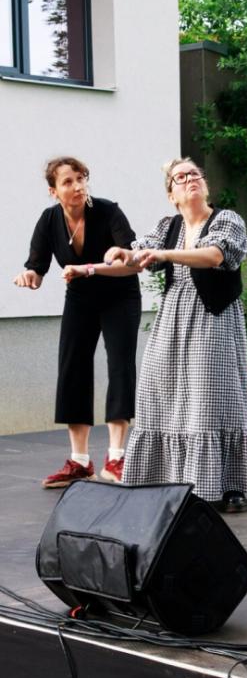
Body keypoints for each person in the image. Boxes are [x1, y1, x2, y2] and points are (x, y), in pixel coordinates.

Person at [104, 158, 247, 512]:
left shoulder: (227, 220)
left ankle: (229, 483)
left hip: (212, 316)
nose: (190, 179)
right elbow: (136, 258)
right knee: (158, 391)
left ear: (205, 184)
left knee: (212, 398)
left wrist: (161, 253)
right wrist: (94, 267)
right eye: (180, 177)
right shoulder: (168, 226)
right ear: (171, 194)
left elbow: (214, 256)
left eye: (195, 174)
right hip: (173, 317)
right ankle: (165, 478)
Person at [13, 157, 141, 486]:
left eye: (81, 178)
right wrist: (29, 276)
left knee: (120, 366)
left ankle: (116, 458)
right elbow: (37, 268)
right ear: (53, 191)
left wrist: (100, 263)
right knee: (72, 368)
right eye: (68, 181)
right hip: (81, 297)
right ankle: (80, 462)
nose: (78, 186)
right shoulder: (49, 220)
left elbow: (132, 261)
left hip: (119, 295)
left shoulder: (109, 211)